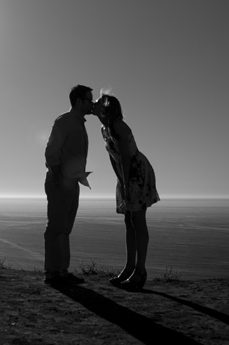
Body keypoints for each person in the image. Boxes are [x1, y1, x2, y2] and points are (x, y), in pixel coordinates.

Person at [93, 92, 160, 291]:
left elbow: (126, 158)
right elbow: (114, 158)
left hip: (136, 172)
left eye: (97, 102)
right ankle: (129, 268)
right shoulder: (104, 128)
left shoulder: (118, 126)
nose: (93, 104)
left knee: (137, 221)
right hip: (126, 173)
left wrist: (126, 183)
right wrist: (120, 180)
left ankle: (140, 271)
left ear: (105, 107)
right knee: (129, 221)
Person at [43, 84, 94, 285]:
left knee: (64, 226)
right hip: (61, 181)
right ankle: (52, 273)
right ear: (79, 101)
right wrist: (57, 176)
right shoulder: (65, 121)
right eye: (89, 100)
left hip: (71, 181)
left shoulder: (77, 122)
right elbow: (51, 150)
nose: (92, 104)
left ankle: (60, 271)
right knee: (56, 226)